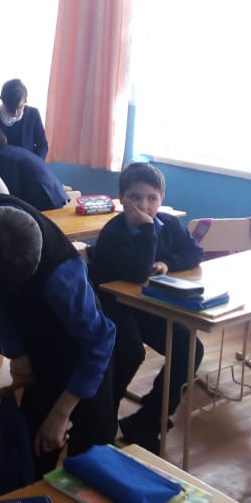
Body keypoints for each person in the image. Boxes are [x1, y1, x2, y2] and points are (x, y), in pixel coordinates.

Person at [0, 195, 116, 476]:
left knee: (92, 461)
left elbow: (99, 341)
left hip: (84, 354)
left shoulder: (62, 279)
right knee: (31, 452)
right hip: (40, 346)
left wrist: (61, 413)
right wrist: (16, 351)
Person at [86, 162, 204, 452]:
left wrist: (168, 262)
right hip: (111, 304)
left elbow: (195, 252)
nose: (144, 205)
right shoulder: (114, 233)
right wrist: (148, 229)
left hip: (145, 303)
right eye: (135, 197)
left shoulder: (169, 224)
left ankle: (149, 420)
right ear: (121, 198)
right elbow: (138, 273)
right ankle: (101, 422)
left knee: (189, 346)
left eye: (152, 198)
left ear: (162, 198)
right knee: (129, 351)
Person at [0, 126, 68, 211]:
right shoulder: (10, 152)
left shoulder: (1, 158)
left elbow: (9, 193)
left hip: (46, 199)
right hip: (52, 195)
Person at [0, 78, 48, 159]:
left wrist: (36, 162)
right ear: (3, 101)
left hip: (28, 164)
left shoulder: (33, 114)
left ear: (25, 101)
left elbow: (42, 145)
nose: (15, 113)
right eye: (10, 108)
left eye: (19, 107)